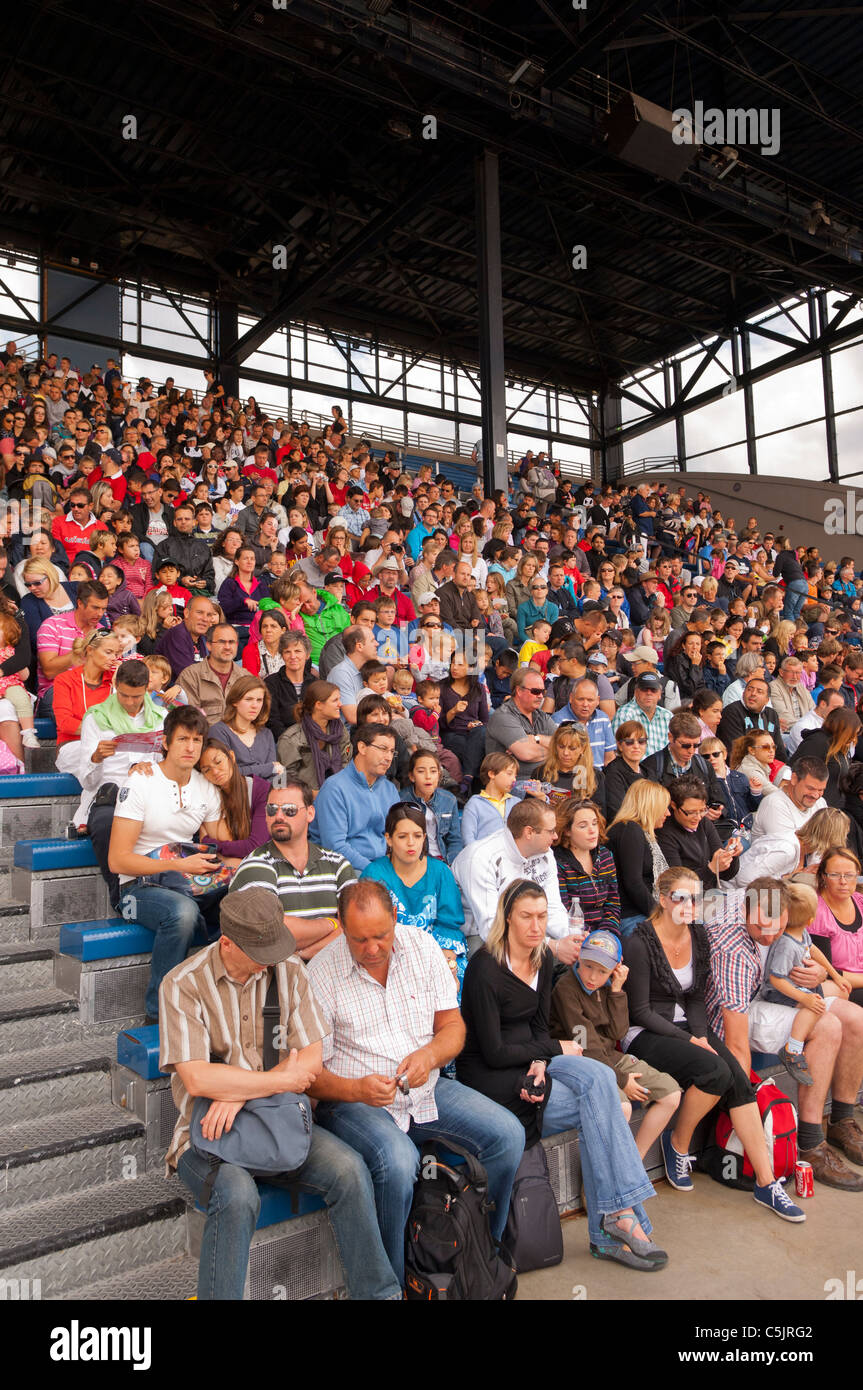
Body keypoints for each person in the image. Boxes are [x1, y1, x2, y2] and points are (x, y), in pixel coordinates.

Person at [160, 887, 401, 1302]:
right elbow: (198, 1080)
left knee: (350, 1171)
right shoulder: (183, 984)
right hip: (206, 1136)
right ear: (227, 943)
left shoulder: (287, 970)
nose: (270, 960)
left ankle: (380, 1295)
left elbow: (309, 1063)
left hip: (280, 1123)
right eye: (260, 951)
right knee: (236, 1197)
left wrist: (239, 1091)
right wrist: (272, 1082)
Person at [307, 879, 525, 1289]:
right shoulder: (321, 974)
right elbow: (310, 1076)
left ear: (395, 919)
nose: (372, 948)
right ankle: (395, 1283)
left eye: (381, 935)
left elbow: (452, 1028)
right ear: (339, 925)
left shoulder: (422, 948)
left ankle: (480, 1256)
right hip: (355, 1101)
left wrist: (430, 1056)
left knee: (507, 1136)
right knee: (398, 1161)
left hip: (424, 1089)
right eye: (359, 939)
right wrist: (356, 1091)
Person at [458, 881, 666, 1271]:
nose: (536, 926)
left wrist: (540, 1061)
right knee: (603, 1105)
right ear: (507, 917)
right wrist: (551, 1052)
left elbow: (538, 1029)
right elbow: (493, 1051)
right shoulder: (484, 966)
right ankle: (616, 1223)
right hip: (490, 1075)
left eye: (541, 916)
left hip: (535, 1061)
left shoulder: (544, 959)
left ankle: (616, 1218)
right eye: (526, 917)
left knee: (601, 1081)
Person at [624, 867, 806, 1221]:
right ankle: (677, 1144)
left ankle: (766, 1183)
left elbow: (694, 1000)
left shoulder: (699, 936)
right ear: (662, 900)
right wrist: (692, 1039)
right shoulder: (639, 940)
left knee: (736, 1076)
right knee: (715, 1070)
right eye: (680, 897)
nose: (689, 905)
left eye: (695, 898)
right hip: (644, 1034)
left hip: (688, 1028)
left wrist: (703, 1035)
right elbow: (640, 1011)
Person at [705, 876, 863, 1189]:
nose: (770, 935)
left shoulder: (771, 896)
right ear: (747, 912)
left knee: (856, 1018)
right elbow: (734, 1039)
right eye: (762, 927)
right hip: (738, 1010)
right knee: (827, 1024)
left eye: (777, 928)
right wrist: (743, 1100)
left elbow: (803, 944)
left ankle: (842, 1120)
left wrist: (819, 971)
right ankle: (811, 1141)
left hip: (773, 991)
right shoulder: (732, 948)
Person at [109, 705, 226, 1022]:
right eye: (183, 739)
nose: (191, 748)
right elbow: (118, 860)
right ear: (165, 742)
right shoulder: (141, 782)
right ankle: (160, 1012)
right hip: (137, 888)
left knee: (241, 902)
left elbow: (223, 847)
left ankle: (220, 1006)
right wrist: (176, 867)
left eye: (197, 740)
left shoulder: (206, 787)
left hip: (188, 882)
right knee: (182, 913)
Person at [549, 930, 682, 1163]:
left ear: (614, 969)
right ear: (579, 958)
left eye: (602, 970)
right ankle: (606, 1177)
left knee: (670, 1093)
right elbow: (586, 1047)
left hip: (610, 1057)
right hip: (582, 1062)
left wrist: (617, 991)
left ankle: (633, 1164)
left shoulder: (607, 985)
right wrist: (622, 1080)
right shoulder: (566, 989)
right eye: (589, 966)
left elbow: (618, 1032)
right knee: (622, 1106)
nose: (592, 976)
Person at [230, 778, 356, 960]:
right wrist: (332, 924)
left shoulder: (337, 864)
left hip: (334, 975)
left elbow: (356, 926)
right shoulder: (255, 864)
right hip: (275, 981)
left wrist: (303, 954)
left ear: (310, 813)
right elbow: (268, 933)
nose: (279, 816)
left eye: (290, 810)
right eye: (272, 809)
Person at [453, 796, 579, 960]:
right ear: (529, 832)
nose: (555, 837)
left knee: (581, 960)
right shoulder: (480, 858)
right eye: (551, 831)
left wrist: (573, 940)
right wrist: (552, 947)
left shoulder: (545, 853)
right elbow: (490, 929)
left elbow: (553, 907)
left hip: (529, 926)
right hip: (478, 934)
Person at [362, 802, 467, 989]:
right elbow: (369, 929)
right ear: (389, 839)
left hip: (435, 954)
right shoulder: (374, 874)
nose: (411, 843)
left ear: (425, 837)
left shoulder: (440, 871)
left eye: (417, 836)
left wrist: (444, 963)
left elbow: (449, 925)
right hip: (388, 959)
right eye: (402, 836)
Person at [758, 881, 851, 1085]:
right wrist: (804, 999)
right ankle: (792, 1049)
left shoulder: (800, 933)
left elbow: (813, 951)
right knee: (815, 1006)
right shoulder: (786, 944)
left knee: (827, 997)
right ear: (810, 920)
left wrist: (835, 975)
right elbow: (775, 978)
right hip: (778, 991)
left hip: (795, 986)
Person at [309, 723, 400, 870]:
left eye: (392, 752)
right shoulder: (335, 788)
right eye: (383, 749)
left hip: (383, 865)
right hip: (344, 868)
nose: (389, 757)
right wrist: (375, 871)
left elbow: (397, 836)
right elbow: (335, 847)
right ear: (362, 747)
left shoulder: (389, 789)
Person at [606, 781, 671, 937]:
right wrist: (661, 916)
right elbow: (633, 884)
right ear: (651, 806)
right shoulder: (629, 829)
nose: (668, 813)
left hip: (640, 912)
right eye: (664, 807)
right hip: (630, 916)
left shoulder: (639, 832)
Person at [36, 578, 109, 710]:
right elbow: (49, 671)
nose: (100, 614)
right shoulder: (52, 625)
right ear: (80, 603)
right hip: (56, 689)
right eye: (95, 607)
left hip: (91, 689)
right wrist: (81, 652)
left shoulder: (102, 632)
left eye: (103, 609)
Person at [656, 775, 742, 887]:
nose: (697, 817)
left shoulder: (704, 823)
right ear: (674, 805)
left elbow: (726, 875)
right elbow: (678, 885)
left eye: (702, 810)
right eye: (691, 812)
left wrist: (731, 855)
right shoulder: (664, 833)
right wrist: (711, 869)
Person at [554, 798, 620, 936]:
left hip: (606, 933)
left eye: (595, 823)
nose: (592, 830)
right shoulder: (558, 863)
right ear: (567, 830)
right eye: (583, 826)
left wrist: (607, 934)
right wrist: (592, 940)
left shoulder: (606, 856)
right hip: (575, 936)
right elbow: (564, 912)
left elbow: (613, 902)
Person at [276, 681, 351, 792]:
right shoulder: (291, 739)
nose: (340, 704)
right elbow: (283, 779)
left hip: (337, 793)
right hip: (304, 799)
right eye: (335, 700)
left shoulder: (339, 730)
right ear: (319, 705)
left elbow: (346, 763)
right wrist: (310, 794)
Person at [484, 665, 558, 778]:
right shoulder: (503, 716)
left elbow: (566, 743)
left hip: (545, 778)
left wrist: (537, 739)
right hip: (513, 783)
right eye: (535, 691)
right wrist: (555, 751)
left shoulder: (541, 715)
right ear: (519, 691)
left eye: (543, 691)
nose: (541, 696)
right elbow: (526, 753)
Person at [811, 849, 863, 1008]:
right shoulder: (816, 912)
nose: (843, 881)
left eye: (849, 875)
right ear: (823, 877)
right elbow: (825, 971)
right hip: (840, 986)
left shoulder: (860, 901)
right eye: (834, 875)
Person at [209, 675, 283, 782]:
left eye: (259, 700)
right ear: (235, 701)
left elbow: (277, 774)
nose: (255, 705)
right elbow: (225, 773)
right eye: (248, 699)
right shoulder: (218, 731)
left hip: (265, 795)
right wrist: (268, 768)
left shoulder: (266, 734)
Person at [790, 706, 861, 808]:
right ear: (841, 728)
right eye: (851, 734)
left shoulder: (839, 747)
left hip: (834, 808)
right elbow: (794, 770)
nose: (854, 738)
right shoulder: (818, 742)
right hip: (815, 808)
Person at [401, 749, 463, 865]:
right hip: (417, 862)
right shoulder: (401, 800)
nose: (428, 776)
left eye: (433, 771)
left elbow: (454, 839)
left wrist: (451, 864)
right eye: (421, 771)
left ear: (439, 775)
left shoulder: (449, 799)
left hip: (444, 860)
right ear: (412, 776)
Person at [438, 649, 489, 785]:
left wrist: (477, 724)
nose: (454, 667)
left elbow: (485, 721)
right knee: (471, 749)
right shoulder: (441, 687)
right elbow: (438, 723)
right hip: (451, 733)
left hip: (474, 734)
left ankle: (466, 781)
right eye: (453, 663)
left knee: (481, 734)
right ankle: (470, 781)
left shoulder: (479, 689)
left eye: (460, 664)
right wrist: (453, 711)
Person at [176, 622, 245, 722]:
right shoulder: (190, 676)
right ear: (209, 645)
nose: (227, 647)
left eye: (231, 642)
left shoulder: (245, 677)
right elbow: (189, 722)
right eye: (221, 642)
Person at [750, 757, 828, 841]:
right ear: (794, 779)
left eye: (821, 790)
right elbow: (788, 849)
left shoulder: (820, 803)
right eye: (810, 788)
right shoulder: (774, 804)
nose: (815, 795)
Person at [461, 751, 519, 845]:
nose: (514, 779)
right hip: (484, 857)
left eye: (515, 776)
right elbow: (468, 839)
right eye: (509, 773)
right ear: (492, 774)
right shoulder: (475, 804)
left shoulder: (516, 803)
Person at [155, 594, 215, 682]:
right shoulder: (177, 634)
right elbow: (187, 676)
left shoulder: (202, 638)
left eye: (209, 615)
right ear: (186, 613)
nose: (205, 619)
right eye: (199, 612)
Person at [604, 720, 648, 821]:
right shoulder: (612, 773)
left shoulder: (648, 771)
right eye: (629, 742)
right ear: (619, 746)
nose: (636, 746)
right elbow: (617, 812)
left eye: (641, 741)